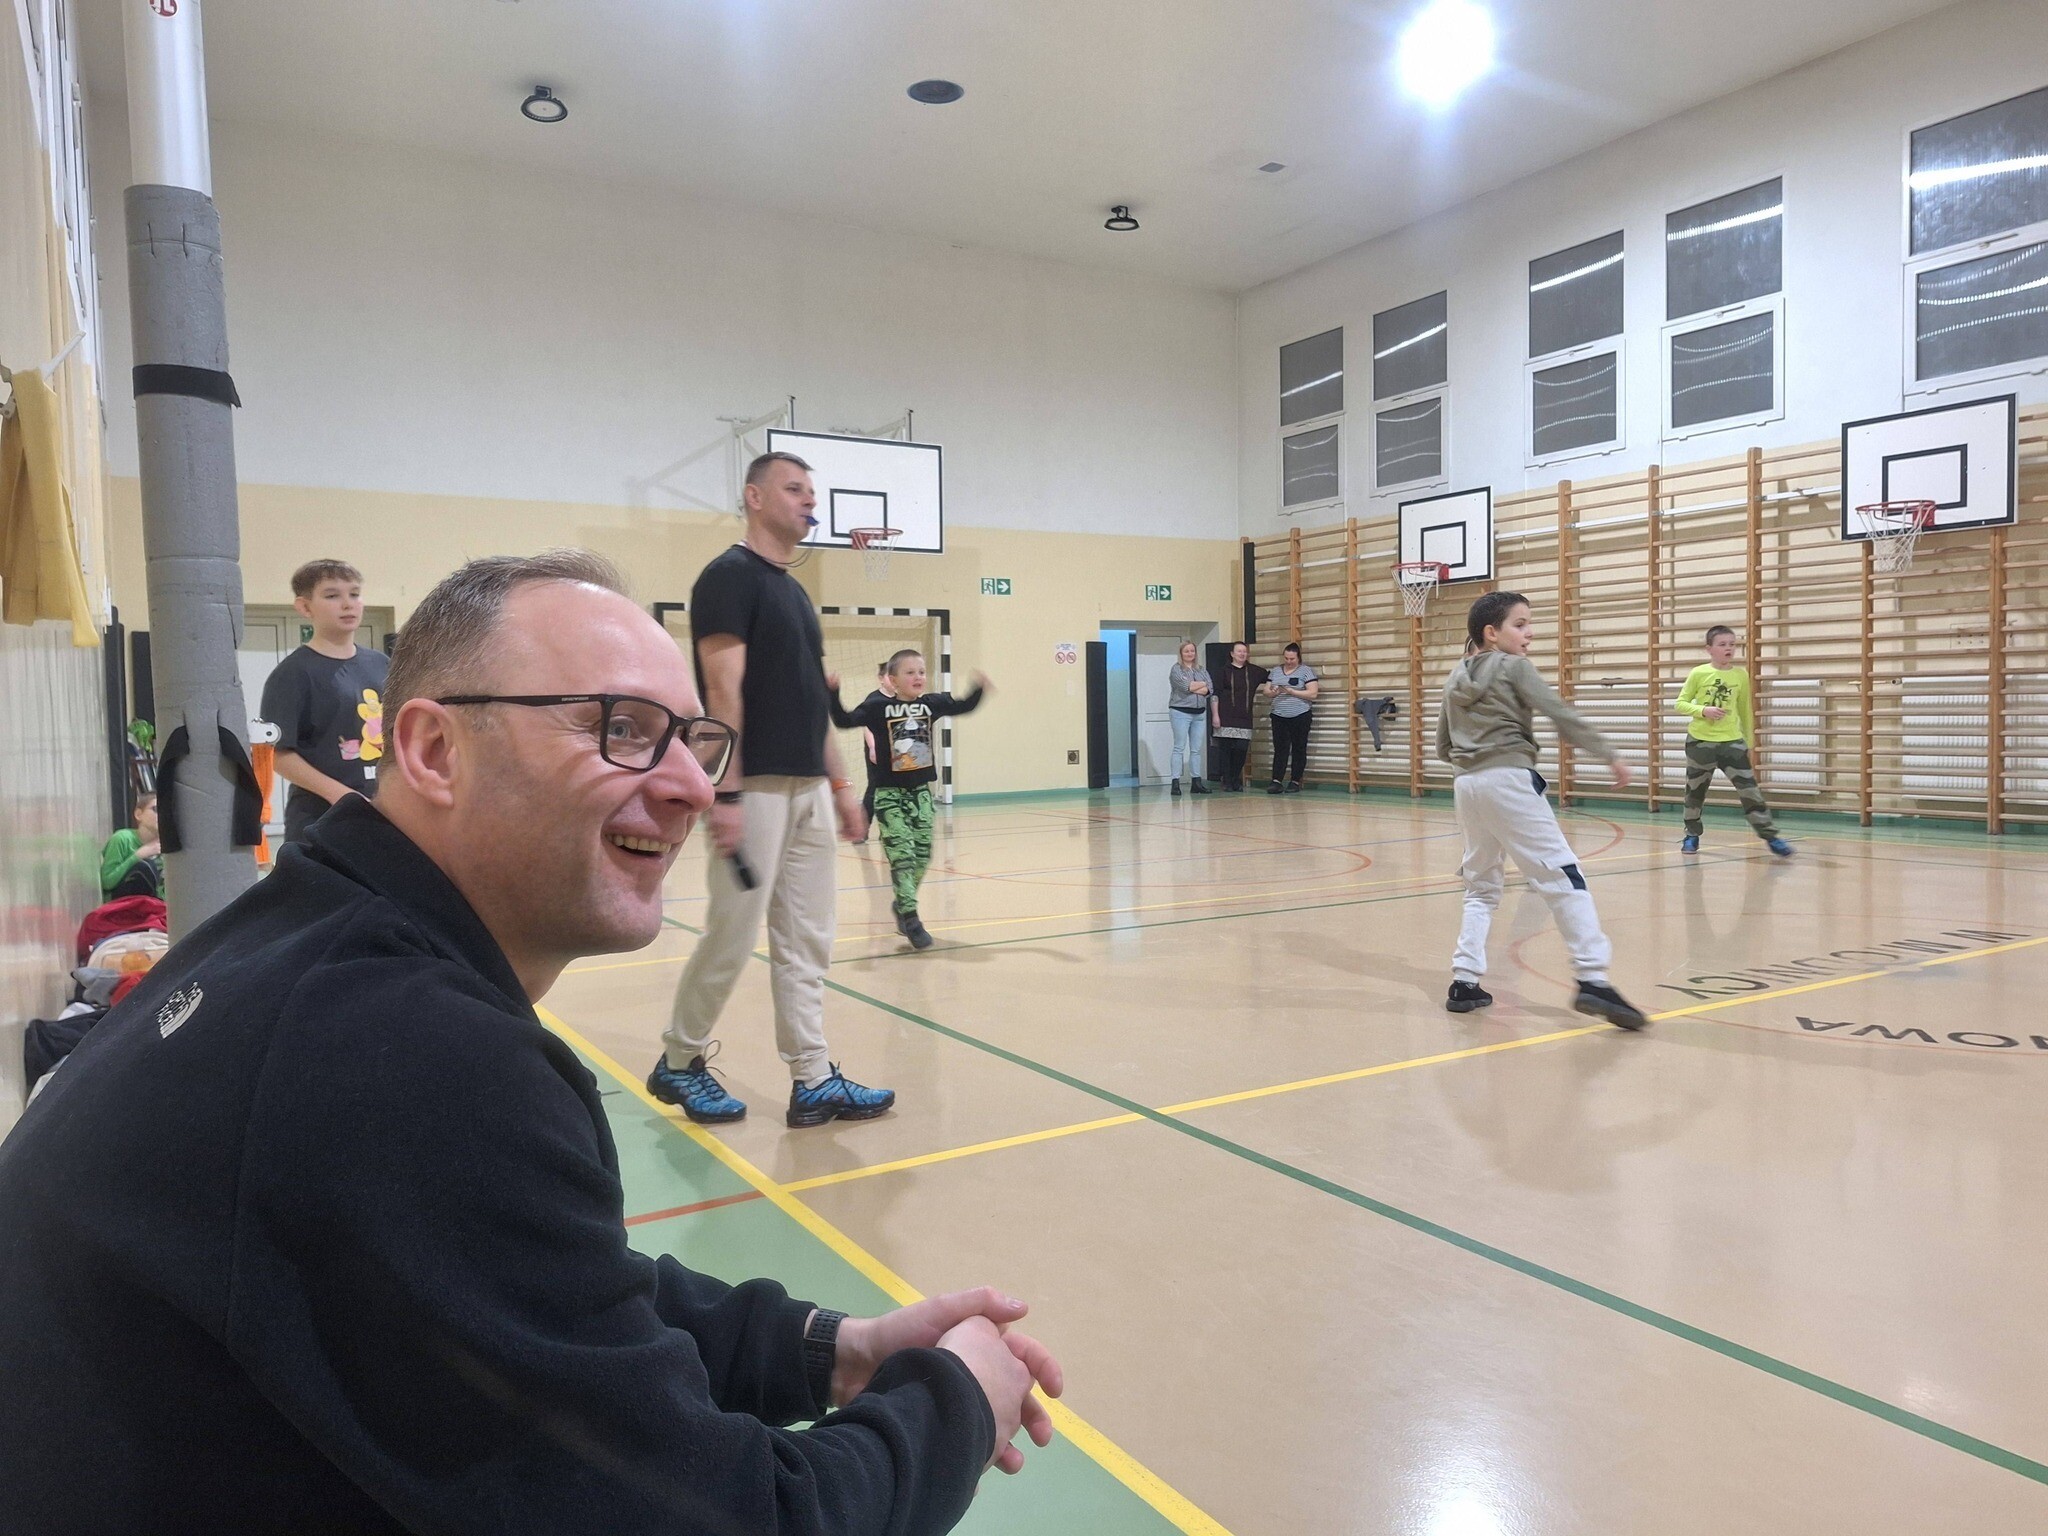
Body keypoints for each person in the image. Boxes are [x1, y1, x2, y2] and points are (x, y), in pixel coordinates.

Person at [0, 550, 1061, 1535]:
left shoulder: (315, 938)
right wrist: (955, 1402)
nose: (694, 786)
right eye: (621, 727)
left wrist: (826, 1351)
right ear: (433, 750)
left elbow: (539, 1295)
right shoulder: (408, 1055)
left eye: (692, 741)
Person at [653, 452, 894, 1129]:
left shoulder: (795, 593)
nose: (809, 501)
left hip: (809, 788)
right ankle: (679, 1060)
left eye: (811, 491)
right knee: (733, 934)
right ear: (755, 497)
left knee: (807, 941)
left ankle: (812, 1079)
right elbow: (723, 691)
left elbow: (813, 701)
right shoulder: (727, 578)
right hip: (753, 786)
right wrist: (724, 796)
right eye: (794, 489)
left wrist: (841, 788)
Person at [1435, 591, 1649, 1030]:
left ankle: (1465, 981)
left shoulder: (1455, 677)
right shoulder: (1513, 667)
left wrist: (1475, 758)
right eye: (1520, 624)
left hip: (1466, 785)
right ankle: (1592, 979)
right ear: (1491, 633)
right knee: (1563, 876)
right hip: (1508, 779)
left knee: (1480, 887)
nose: (1529, 633)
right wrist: (1609, 754)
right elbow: (1559, 713)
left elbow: (1442, 745)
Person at [831, 651, 988, 950]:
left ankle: (903, 902)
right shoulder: (878, 706)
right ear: (892, 680)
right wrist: (832, 693)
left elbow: (963, 705)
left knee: (922, 855)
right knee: (901, 856)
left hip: (921, 794)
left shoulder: (930, 705)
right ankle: (911, 918)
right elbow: (844, 720)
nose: (918, 677)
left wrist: (978, 689)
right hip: (889, 795)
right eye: (910, 672)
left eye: (921, 672)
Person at [258, 558, 389, 845]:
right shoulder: (292, 673)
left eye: (354, 594)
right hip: (320, 820)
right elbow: (278, 754)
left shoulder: (382, 665)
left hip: (385, 813)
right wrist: (341, 795)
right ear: (305, 607)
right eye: (332, 596)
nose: (348, 604)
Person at [1675, 625, 1793, 858]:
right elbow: (1680, 703)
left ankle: (1770, 836)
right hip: (1700, 743)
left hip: (1732, 744)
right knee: (1695, 792)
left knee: (1750, 791)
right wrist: (1703, 710)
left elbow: (1745, 710)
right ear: (1709, 649)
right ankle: (1691, 835)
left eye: (1732, 644)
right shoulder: (1698, 673)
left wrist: (1748, 742)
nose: (1728, 648)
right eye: (1722, 644)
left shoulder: (1740, 675)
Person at [1263, 641, 1318, 794]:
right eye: (1286, 658)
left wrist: (1292, 692)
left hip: (1300, 715)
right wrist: (1274, 692)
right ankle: (1276, 780)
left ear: (1298, 657)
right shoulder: (1276, 671)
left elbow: (1313, 693)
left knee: (1299, 748)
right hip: (1279, 715)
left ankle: (1295, 781)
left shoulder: (1306, 671)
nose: (1288, 661)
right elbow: (1266, 691)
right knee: (1280, 748)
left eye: (1292, 659)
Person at [853, 660, 896, 844]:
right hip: (877, 750)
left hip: (896, 751)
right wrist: (873, 748)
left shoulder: (901, 699)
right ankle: (862, 830)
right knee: (874, 788)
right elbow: (867, 727)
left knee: (893, 791)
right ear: (881, 678)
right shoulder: (873, 699)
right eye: (889, 676)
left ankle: (889, 830)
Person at [1167, 640, 1212, 797]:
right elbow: (1185, 687)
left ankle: (1196, 782)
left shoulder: (1201, 670)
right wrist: (1201, 685)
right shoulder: (1176, 669)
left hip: (1199, 713)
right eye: (1186, 651)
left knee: (1196, 749)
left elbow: (1210, 689)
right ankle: (1175, 782)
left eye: (1192, 651)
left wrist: (1197, 686)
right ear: (1181, 653)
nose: (1190, 654)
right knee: (1179, 747)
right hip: (1180, 712)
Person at [98, 790, 162, 898]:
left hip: (153, 905)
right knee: (145, 867)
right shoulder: (122, 839)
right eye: (155, 809)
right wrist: (138, 855)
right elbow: (107, 882)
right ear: (138, 814)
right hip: (122, 903)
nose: (162, 815)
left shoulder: (167, 850)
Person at [1212, 640, 1257, 791]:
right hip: (1225, 716)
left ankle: (1235, 777)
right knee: (1225, 750)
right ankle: (1226, 780)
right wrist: (1215, 715)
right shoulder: (1222, 671)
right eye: (1239, 651)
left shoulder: (1253, 671)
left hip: (1244, 717)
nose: (1242, 654)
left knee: (1241, 749)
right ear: (1232, 654)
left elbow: (1271, 677)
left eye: (1244, 651)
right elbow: (1215, 694)